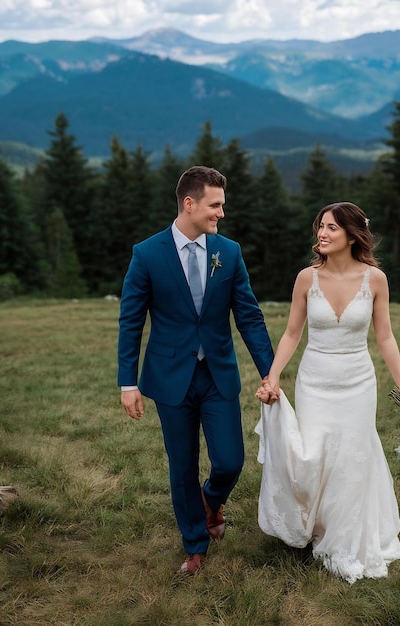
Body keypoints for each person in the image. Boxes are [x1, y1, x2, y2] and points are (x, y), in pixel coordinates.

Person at [255, 201, 400, 584]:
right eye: (320, 227)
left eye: (331, 227)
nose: (322, 234)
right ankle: (314, 524)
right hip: (314, 381)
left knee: (351, 457)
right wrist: (273, 376)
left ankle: (345, 536)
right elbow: (292, 333)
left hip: (358, 383)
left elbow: (385, 337)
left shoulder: (375, 279)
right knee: (314, 455)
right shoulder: (305, 278)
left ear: (351, 234)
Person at [118, 165, 274, 575]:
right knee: (181, 464)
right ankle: (195, 545)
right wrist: (127, 383)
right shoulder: (147, 254)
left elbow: (250, 317)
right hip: (170, 379)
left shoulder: (229, 252)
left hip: (218, 373)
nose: (221, 213)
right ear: (189, 203)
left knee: (231, 460)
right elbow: (131, 321)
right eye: (215, 204)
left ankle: (210, 500)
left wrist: (269, 372)